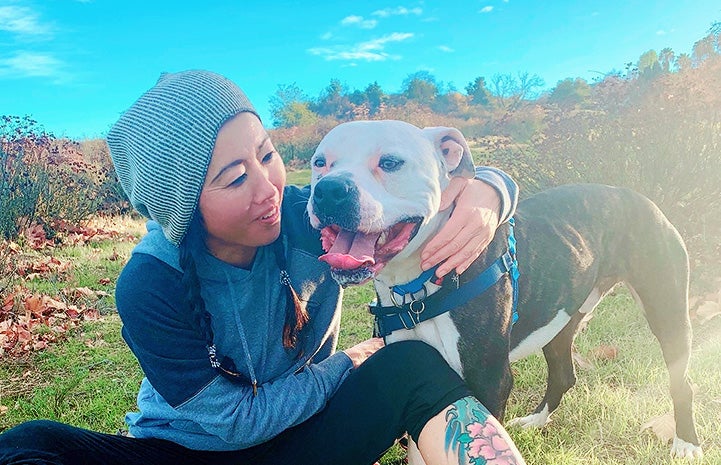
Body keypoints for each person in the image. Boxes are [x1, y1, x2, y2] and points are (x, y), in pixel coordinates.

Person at [0, 70, 525, 465]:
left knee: (412, 364)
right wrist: (349, 361)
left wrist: (490, 191)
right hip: (187, 453)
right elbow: (230, 423)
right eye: (234, 179)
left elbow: (437, 180)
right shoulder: (150, 282)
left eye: (266, 154)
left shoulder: (304, 218)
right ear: (183, 207)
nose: (268, 188)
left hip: (309, 438)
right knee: (27, 444)